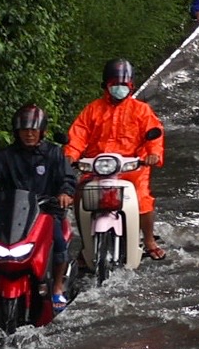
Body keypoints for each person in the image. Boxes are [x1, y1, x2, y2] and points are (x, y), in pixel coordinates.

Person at [0, 104, 78, 308]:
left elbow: (67, 178)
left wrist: (65, 193)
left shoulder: (54, 154)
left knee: (59, 242)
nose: (29, 134)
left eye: (33, 130)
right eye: (24, 131)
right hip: (11, 214)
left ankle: (56, 287)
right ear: (17, 132)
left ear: (42, 132)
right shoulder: (6, 156)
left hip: (46, 212)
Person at [66, 59, 167, 262]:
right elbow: (78, 135)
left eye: (124, 85)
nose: (119, 89)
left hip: (132, 167)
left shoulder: (141, 111)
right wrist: (70, 155)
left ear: (131, 86)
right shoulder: (92, 110)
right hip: (97, 167)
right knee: (79, 195)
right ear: (106, 86)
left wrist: (152, 154)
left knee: (143, 199)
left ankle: (148, 241)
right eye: (114, 85)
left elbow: (154, 136)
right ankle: (87, 244)